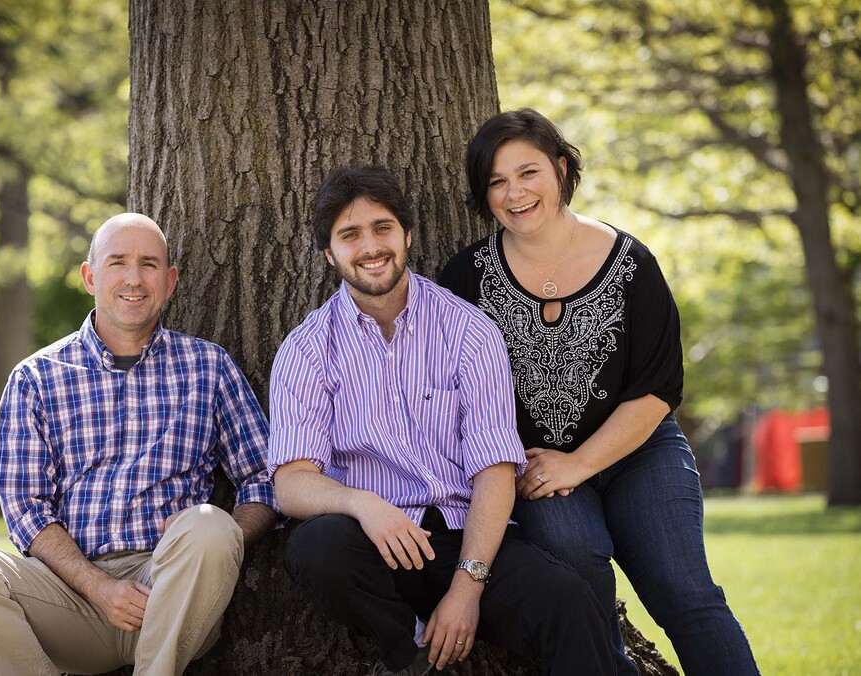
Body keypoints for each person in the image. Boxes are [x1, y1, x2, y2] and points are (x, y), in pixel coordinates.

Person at [438, 108, 760, 676]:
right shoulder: (465, 279)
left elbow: (658, 389)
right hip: (536, 470)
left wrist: (579, 464)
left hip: (639, 452)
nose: (514, 193)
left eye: (528, 172)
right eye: (496, 181)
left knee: (685, 592)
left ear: (561, 170)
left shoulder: (630, 262)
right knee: (578, 568)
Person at [269, 165, 616, 676]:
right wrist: (361, 503)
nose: (370, 246)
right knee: (317, 548)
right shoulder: (307, 349)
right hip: (375, 544)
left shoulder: (468, 330)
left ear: (407, 234)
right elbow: (291, 484)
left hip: (467, 536)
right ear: (329, 253)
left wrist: (466, 587)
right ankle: (411, 654)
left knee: (570, 602)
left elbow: (496, 470)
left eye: (383, 227)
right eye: (350, 235)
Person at [0, 213, 278, 676]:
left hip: (173, 591)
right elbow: (26, 509)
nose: (133, 278)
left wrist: (225, 540)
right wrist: (99, 588)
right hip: (70, 597)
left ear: (169, 282)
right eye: (117, 262)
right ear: (90, 276)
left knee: (209, 524)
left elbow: (265, 478)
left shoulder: (208, 367)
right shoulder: (36, 378)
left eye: (149, 265)